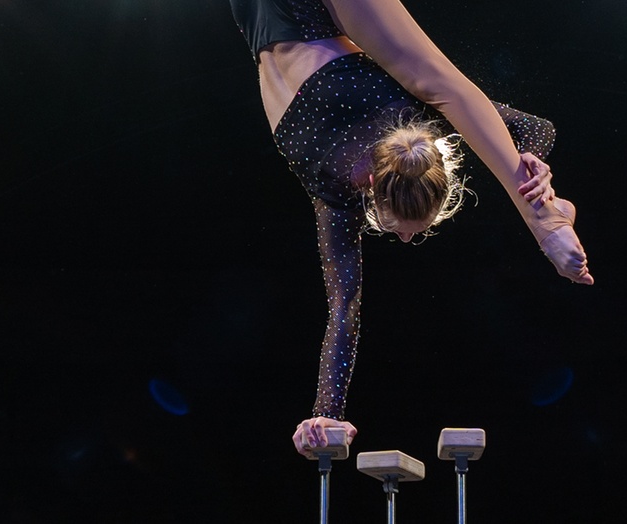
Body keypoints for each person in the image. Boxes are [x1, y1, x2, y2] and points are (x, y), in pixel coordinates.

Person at [229, 0, 594, 456]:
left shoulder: (395, 130)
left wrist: (535, 159)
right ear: (377, 190)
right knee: (441, 84)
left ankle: (546, 212)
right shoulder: (336, 188)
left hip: (274, 16)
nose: (402, 237)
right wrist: (328, 411)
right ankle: (544, 221)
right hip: (285, 18)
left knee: (444, 90)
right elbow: (344, 303)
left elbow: (535, 127)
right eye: (407, 229)